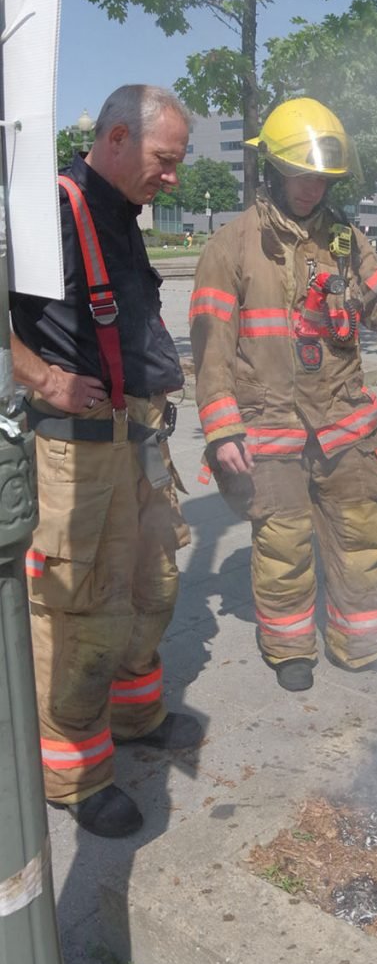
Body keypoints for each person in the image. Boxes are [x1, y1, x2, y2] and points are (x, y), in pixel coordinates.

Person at [189, 97, 377, 694]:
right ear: (273, 170)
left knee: (364, 534)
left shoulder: (346, 241)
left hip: (344, 421)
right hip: (269, 427)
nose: (313, 189)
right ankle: (291, 646)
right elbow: (212, 346)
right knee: (285, 543)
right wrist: (221, 429)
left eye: (322, 179)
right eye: (302, 176)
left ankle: (362, 646)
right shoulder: (231, 245)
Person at [10, 85, 201, 839]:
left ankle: (135, 715)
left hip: (138, 442)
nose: (174, 178)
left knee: (152, 583)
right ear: (117, 138)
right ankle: (75, 775)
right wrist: (44, 376)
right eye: (165, 160)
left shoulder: (118, 211)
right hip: (75, 455)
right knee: (83, 612)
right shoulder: (52, 206)